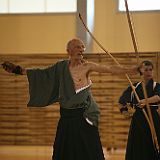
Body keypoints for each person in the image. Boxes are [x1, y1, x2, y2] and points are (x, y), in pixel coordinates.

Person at [2, 38, 138, 160]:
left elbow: (110, 69)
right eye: (77, 47)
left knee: (88, 149)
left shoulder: (87, 66)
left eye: (82, 47)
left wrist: (132, 69)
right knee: (64, 149)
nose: (81, 49)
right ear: (69, 50)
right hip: (66, 116)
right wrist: (19, 70)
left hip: (83, 116)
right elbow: (43, 73)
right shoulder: (60, 67)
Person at [119, 60, 160, 160]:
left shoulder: (156, 86)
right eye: (146, 70)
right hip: (138, 120)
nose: (149, 72)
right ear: (140, 71)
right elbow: (122, 101)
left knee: (153, 145)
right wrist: (124, 112)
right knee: (138, 146)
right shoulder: (134, 87)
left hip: (152, 119)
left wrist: (145, 101)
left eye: (150, 70)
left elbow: (158, 97)